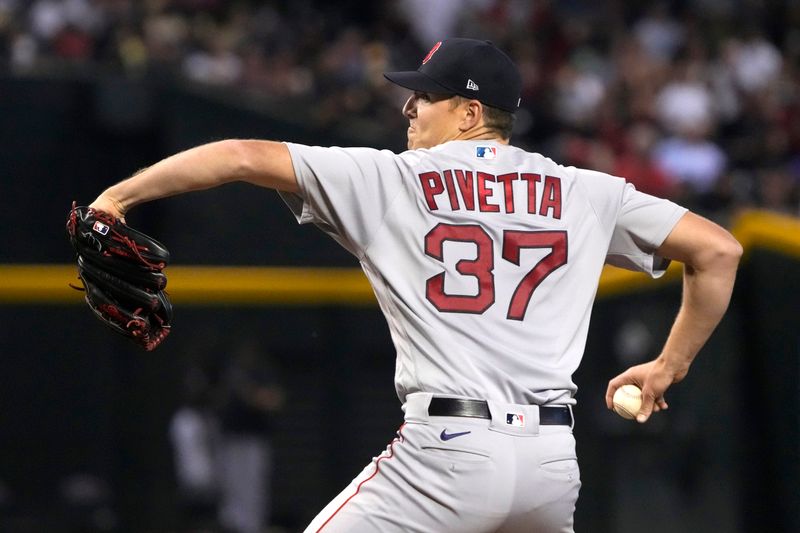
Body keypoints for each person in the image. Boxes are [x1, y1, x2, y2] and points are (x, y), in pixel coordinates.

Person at [87, 38, 742, 532]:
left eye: (424, 95)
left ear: (468, 112)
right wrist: (667, 365)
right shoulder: (585, 191)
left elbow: (237, 156)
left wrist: (118, 195)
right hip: (549, 461)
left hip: (449, 453)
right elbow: (718, 249)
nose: (408, 106)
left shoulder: (393, 178)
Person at [215, 338, 285, 533]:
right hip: (230, 438)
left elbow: (275, 400)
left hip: (254, 439)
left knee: (254, 490)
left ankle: (252, 528)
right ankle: (232, 528)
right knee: (231, 489)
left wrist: (251, 395)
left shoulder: (262, 372)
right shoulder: (229, 370)